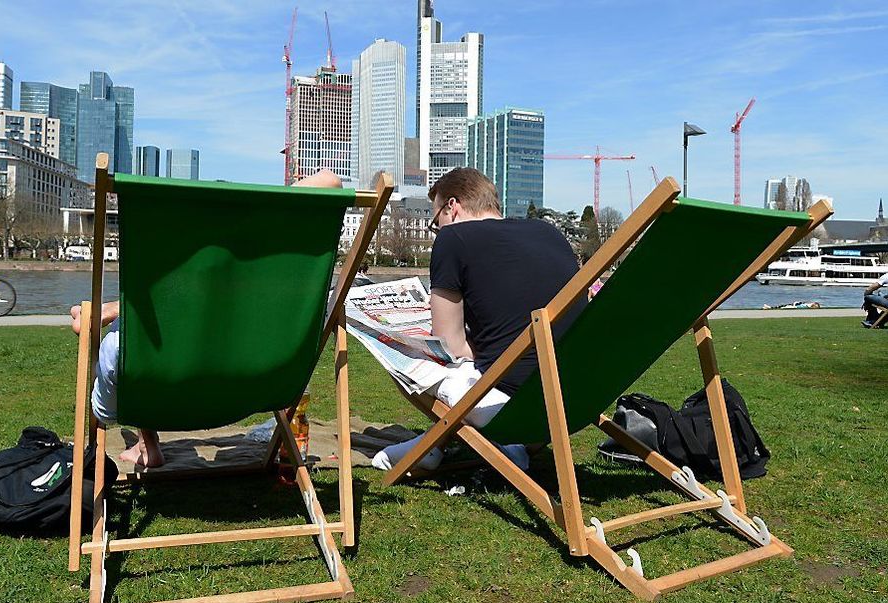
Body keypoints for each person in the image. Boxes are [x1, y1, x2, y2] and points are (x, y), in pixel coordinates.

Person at [71, 169, 345, 468]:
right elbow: (330, 179)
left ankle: (144, 441)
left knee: (125, 338)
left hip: (156, 380)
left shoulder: (183, 261)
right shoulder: (270, 272)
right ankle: (119, 312)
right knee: (156, 326)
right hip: (262, 381)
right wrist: (276, 202)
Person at [371, 167, 587, 473]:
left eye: (436, 223)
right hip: (575, 398)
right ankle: (450, 444)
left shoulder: (454, 238)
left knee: (397, 348)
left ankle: (438, 445)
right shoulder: (549, 232)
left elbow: (452, 344)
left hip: (509, 408)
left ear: (452, 207)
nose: (438, 231)